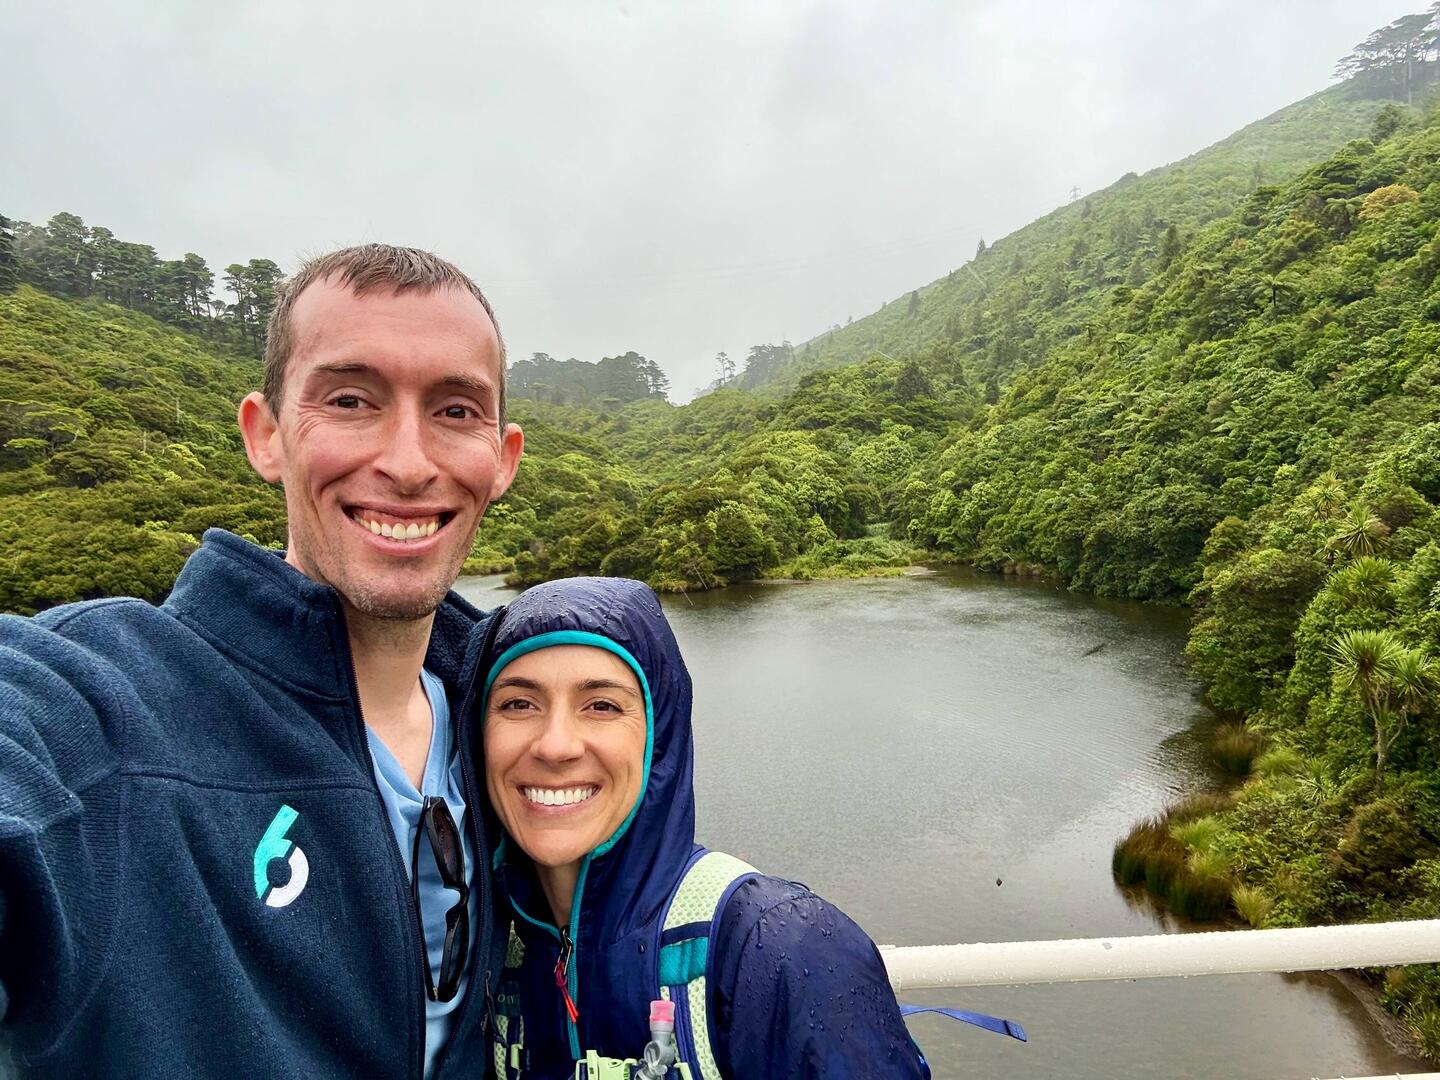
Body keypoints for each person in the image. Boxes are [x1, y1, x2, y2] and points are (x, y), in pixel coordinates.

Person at [0, 245, 523, 1078]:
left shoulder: (510, 719)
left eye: (457, 410)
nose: (408, 461)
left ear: (502, 459)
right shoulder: (110, 711)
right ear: (267, 434)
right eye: (351, 399)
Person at [480, 576, 931, 1078]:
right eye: (519, 704)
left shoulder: (775, 946)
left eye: (602, 705)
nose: (555, 745)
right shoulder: (486, 951)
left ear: (661, 735)